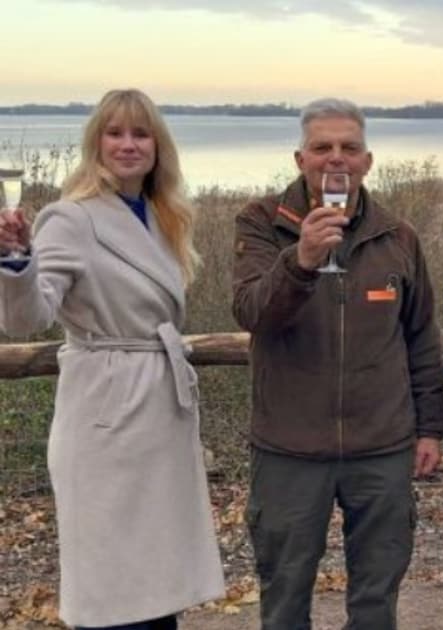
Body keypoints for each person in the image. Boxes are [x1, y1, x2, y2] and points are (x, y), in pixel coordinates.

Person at [0, 89, 224, 629]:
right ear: (96, 143)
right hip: (106, 415)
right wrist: (14, 260)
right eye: (115, 132)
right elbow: (28, 317)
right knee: (111, 585)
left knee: (159, 583)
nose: (128, 144)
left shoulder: (163, 216)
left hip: (158, 413)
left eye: (140, 133)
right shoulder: (70, 218)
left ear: (157, 146)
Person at [231, 97, 443, 630]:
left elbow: (420, 336)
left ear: (367, 161)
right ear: (300, 158)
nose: (336, 159)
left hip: (383, 446)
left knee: (376, 598)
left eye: (349, 148)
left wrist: (431, 428)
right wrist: (300, 261)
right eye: (322, 147)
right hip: (289, 447)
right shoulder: (261, 223)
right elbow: (252, 311)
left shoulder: (397, 237)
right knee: (283, 595)